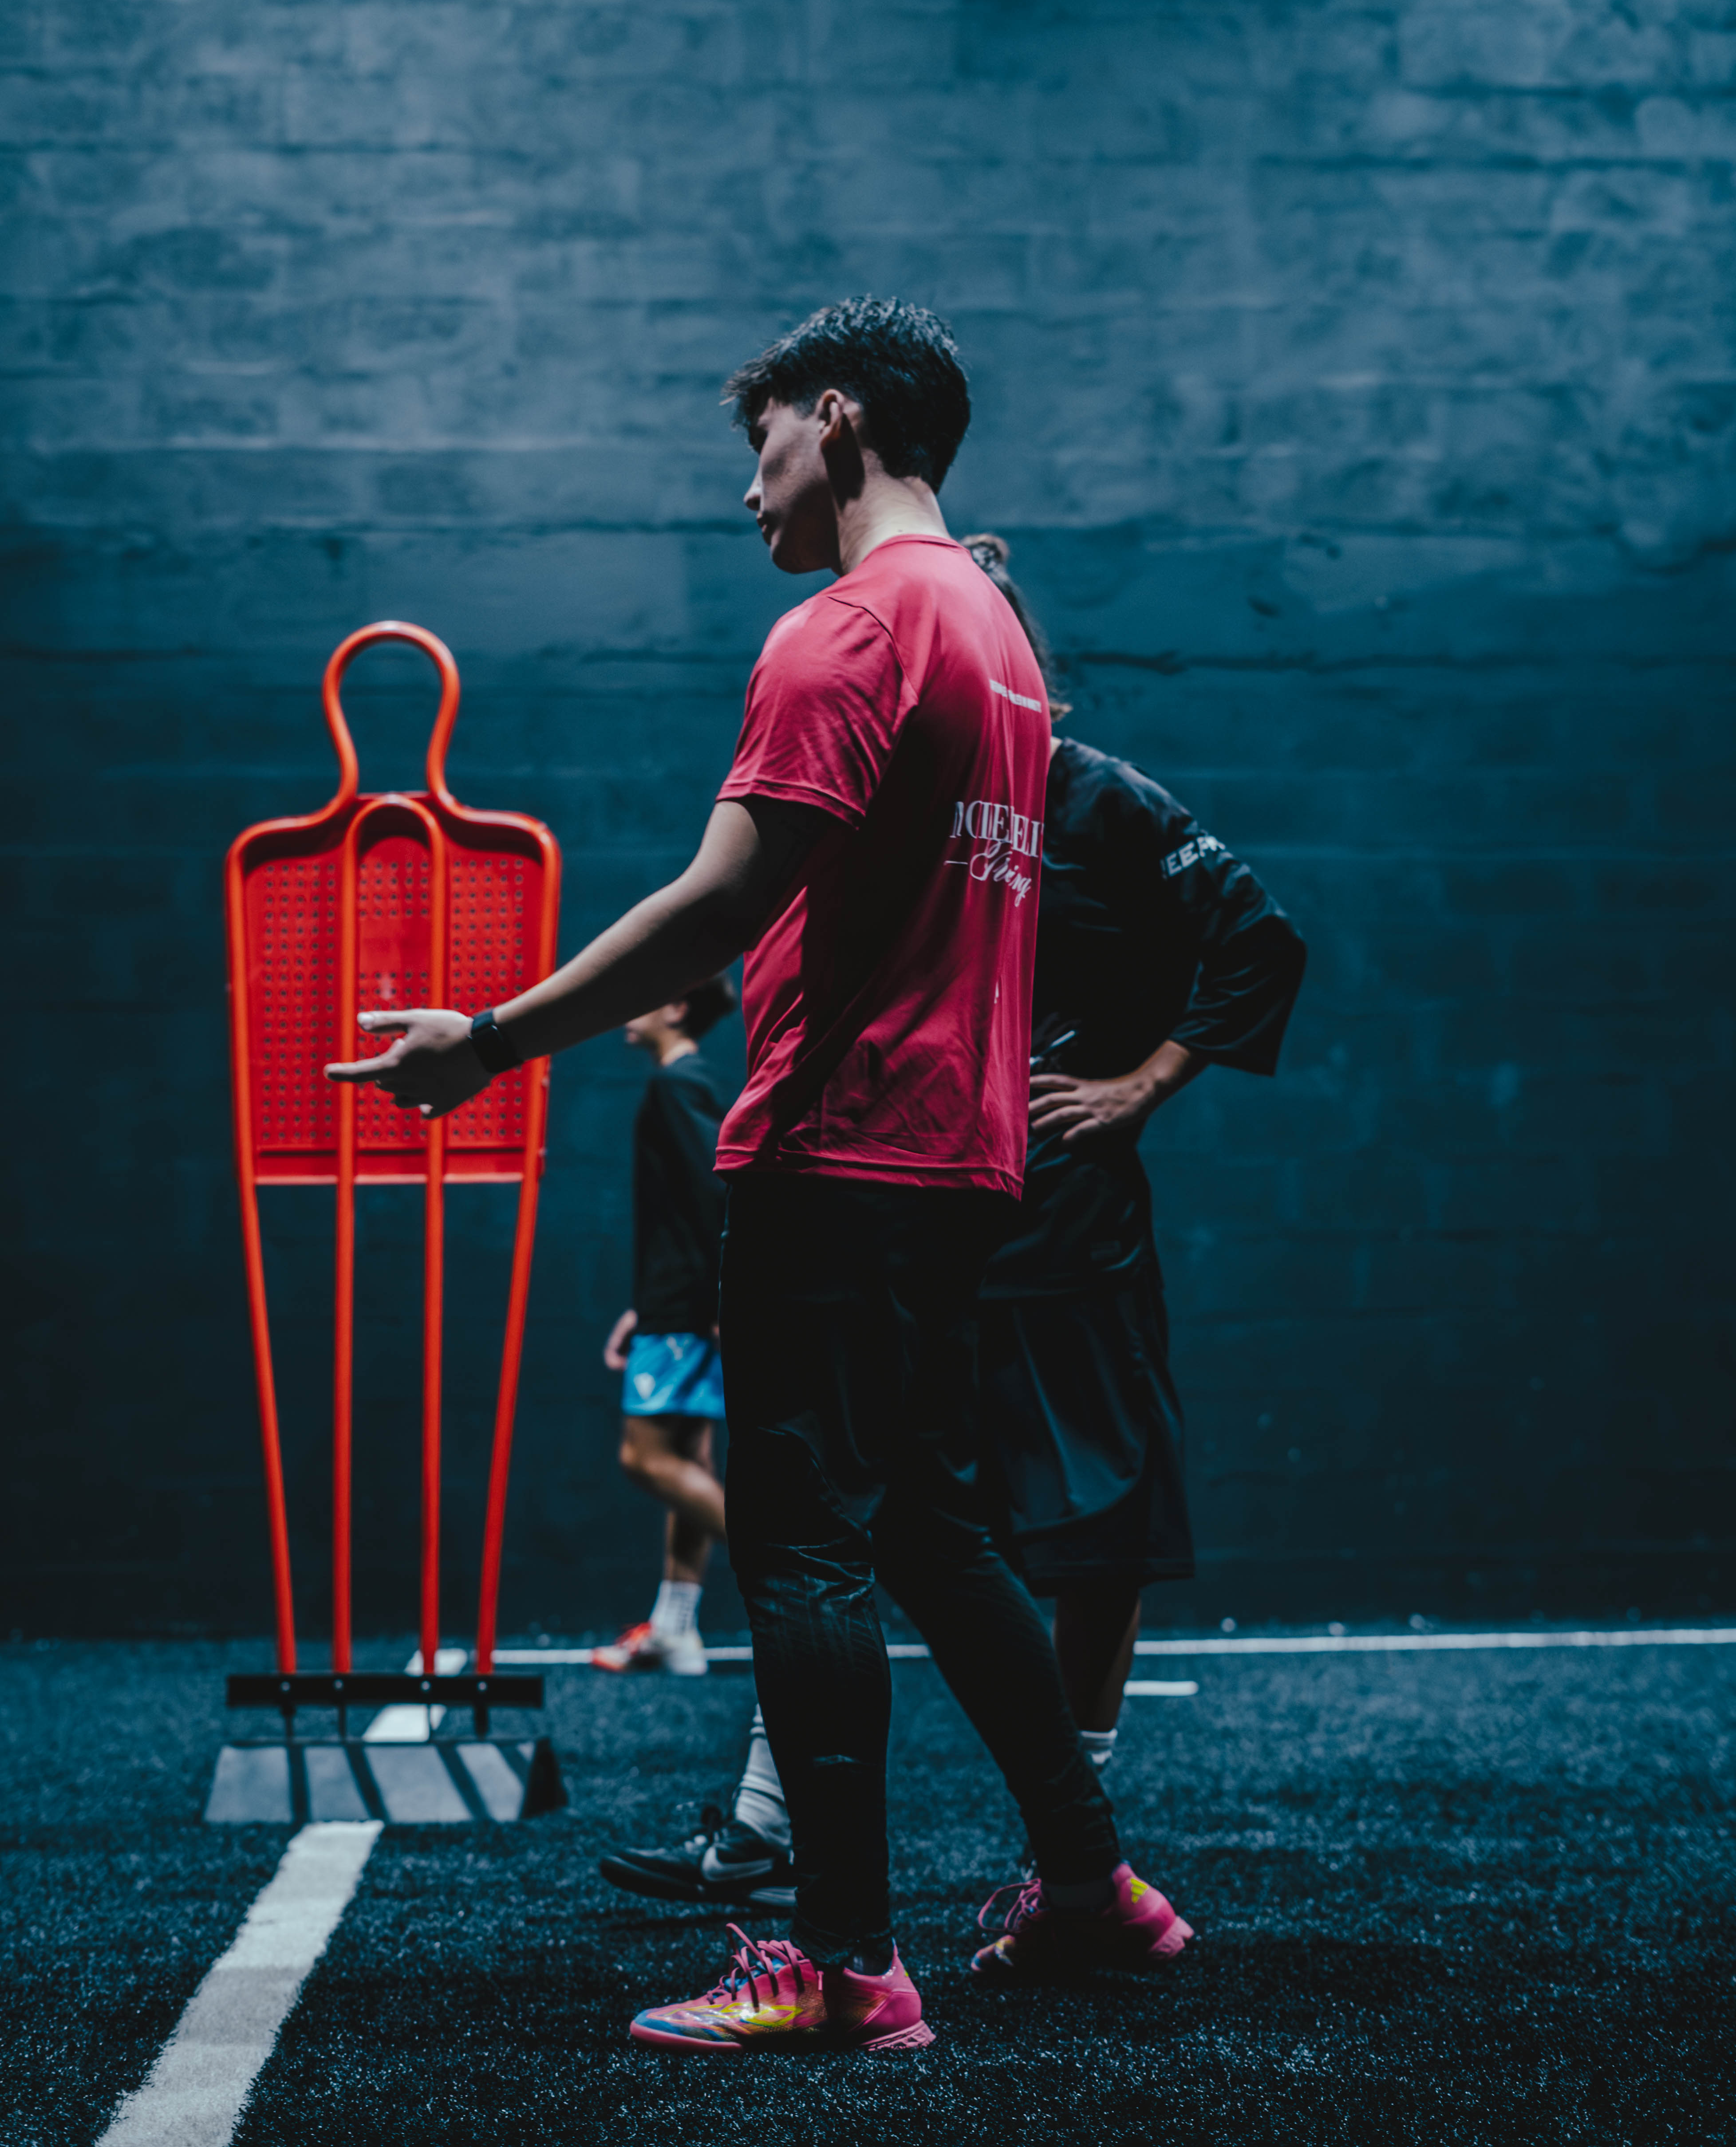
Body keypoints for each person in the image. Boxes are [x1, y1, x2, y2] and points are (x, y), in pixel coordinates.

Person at [327, 299, 1183, 2058]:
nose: (748, 492)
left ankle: (846, 1965)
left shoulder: (851, 628)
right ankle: (1092, 1882)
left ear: (839, 417)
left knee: (802, 1541)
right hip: (962, 1156)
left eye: (763, 444)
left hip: (836, 1143)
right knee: (939, 1528)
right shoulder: (1003, 640)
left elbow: (720, 899)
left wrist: (489, 1038)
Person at [598, 533, 1306, 1943]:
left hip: (1069, 1233)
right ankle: (767, 1826)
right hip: (926, 1211)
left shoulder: (1100, 800)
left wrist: (1141, 1085)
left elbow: (1261, 939)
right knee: (847, 1522)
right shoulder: (902, 802)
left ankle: (1072, 1863)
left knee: (1082, 1531)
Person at [592, 974, 737, 1678]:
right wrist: (644, 1306)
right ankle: (676, 1629)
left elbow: (716, 1196)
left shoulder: (677, 1086)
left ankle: (800, 1553)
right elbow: (691, 1209)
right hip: (678, 1304)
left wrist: (706, 1302)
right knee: (692, 1459)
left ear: (676, 1006)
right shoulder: (689, 1083)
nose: (630, 1005)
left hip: (687, 1311)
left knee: (645, 1458)